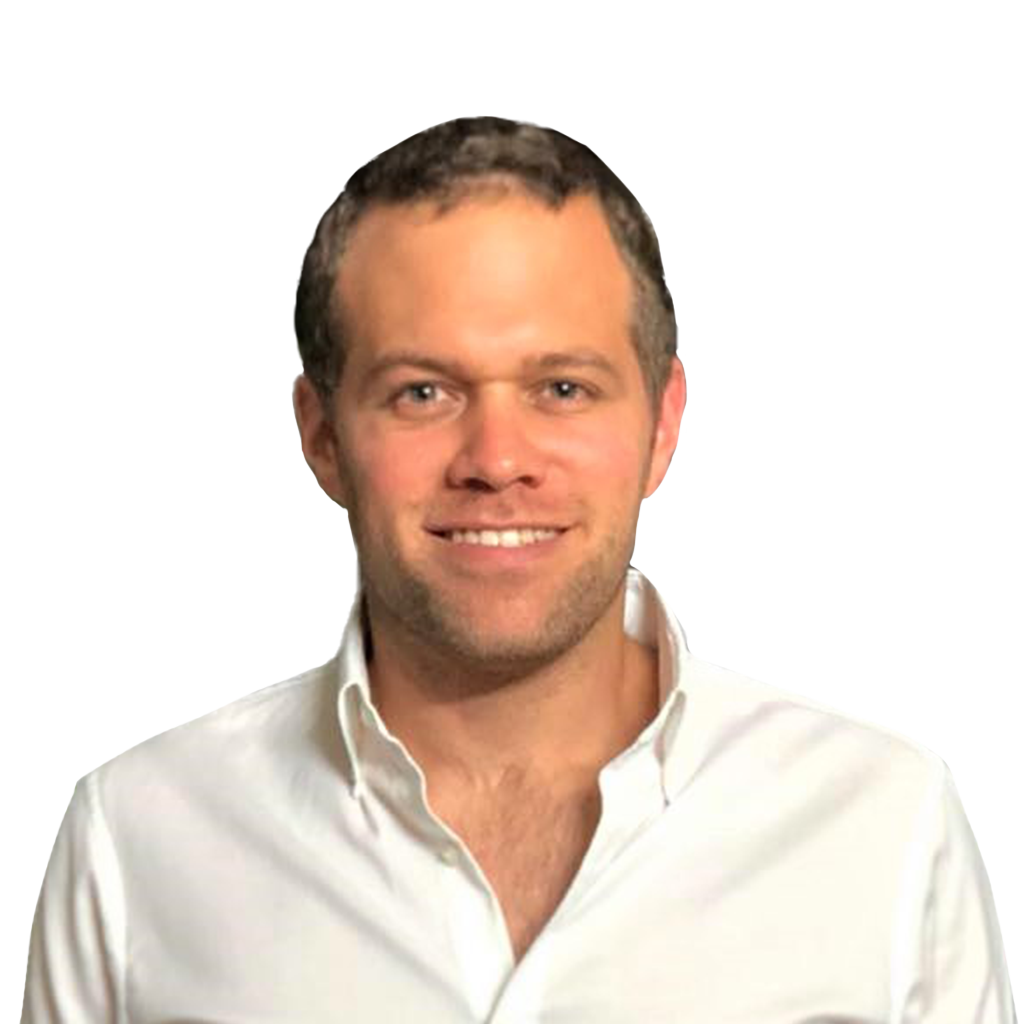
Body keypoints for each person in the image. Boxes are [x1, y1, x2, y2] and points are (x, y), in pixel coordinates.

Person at [17, 118, 1014, 1023]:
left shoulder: (889, 826)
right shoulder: (137, 827)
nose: (496, 460)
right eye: (422, 392)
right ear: (320, 437)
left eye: (563, 388)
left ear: (663, 424)